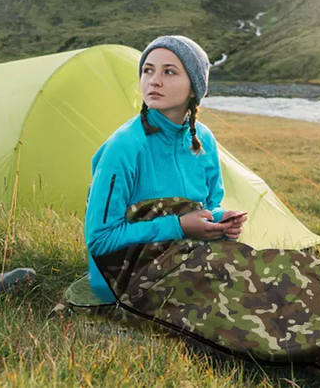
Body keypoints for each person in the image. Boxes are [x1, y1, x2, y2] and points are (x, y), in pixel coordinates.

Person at [84, 35, 247, 302]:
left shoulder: (203, 140)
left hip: (186, 260)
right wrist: (179, 226)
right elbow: (101, 240)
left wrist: (221, 221)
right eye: (148, 70)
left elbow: (208, 205)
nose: (154, 81)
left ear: (194, 88)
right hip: (123, 277)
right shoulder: (124, 146)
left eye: (169, 72)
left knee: (267, 284)